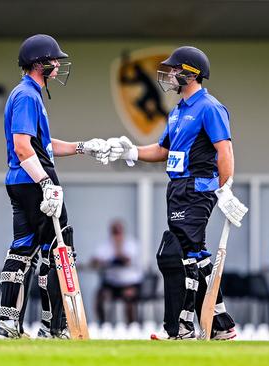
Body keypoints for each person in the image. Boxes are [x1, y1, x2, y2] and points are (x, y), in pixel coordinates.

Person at [105, 46, 248, 340]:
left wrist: (226, 188)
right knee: (191, 256)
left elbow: (225, 149)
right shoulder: (177, 111)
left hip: (198, 186)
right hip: (177, 187)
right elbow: (162, 150)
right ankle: (218, 326)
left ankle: (184, 328)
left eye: (174, 69)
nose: (169, 74)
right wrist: (129, 151)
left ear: (189, 73)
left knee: (180, 255)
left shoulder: (209, 107)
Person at [0, 34, 110, 339]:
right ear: (37, 64)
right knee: (59, 249)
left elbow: (41, 145)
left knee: (23, 249)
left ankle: (8, 325)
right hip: (34, 182)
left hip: (22, 182)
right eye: (52, 60)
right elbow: (22, 147)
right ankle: (53, 327)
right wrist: (46, 183)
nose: (57, 64)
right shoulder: (27, 96)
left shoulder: (28, 95)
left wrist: (83, 146)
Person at [91, 220, 144, 324]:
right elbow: (95, 261)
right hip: (113, 283)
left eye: (118, 232)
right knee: (100, 296)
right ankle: (103, 324)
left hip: (130, 282)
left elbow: (125, 259)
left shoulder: (131, 244)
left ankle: (131, 325)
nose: (117, 235)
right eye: (114, 232)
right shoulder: (106, 245)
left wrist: (117, 248)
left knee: (128, 296)